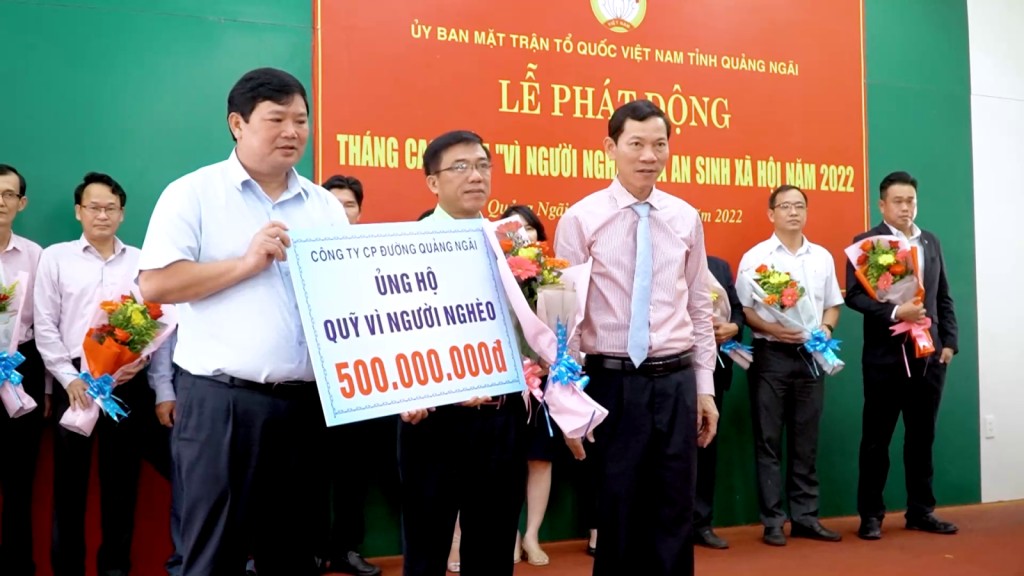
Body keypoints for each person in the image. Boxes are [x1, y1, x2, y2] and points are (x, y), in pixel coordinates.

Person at [137, 67, 349, 576]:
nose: (292, 131)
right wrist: (246, 264)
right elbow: (156, 285)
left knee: (294, 556)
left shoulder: (324, 206)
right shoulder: (193, 193)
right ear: (237, 124)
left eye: (301, 120)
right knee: (213, 555)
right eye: (276, 119)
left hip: (305, 408)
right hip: (222, 404)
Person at [554, 100, 719, 576]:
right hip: (612, 383)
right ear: (611, 148)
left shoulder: (685, 217)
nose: (649, 155)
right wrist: (567, 401)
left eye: (659, 144)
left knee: (675, 513)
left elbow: (699, 307)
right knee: (618, 512)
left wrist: (704, 389)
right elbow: (565, 319)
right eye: (637, 144)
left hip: (677, 380)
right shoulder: (581, 219)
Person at [399, 130, 528, 576]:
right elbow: (392, 332)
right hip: (435, 423)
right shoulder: (405, 244)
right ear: (432, 182)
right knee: (427, 552)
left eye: (482, 165)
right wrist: (410, 392)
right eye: (460, 167)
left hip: (502, 419)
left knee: (493, 552)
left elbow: (528, 327)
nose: (476, 176)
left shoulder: (510, 241)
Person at [35, 172, 171, 576]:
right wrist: (68, 378)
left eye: (111, 208)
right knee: (69, 489)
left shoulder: (141, 261)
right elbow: (45, 324)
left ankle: (115, 570)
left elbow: (158, 321)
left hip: (125, 385)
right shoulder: (55, 258)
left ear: (122, 213)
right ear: (79, 211)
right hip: (75, 385)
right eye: (94, 207)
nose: (102, 215)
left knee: (121, 488)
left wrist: (141, 362)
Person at [846, 171, 959, 540]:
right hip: (884, 358)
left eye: (910, 200)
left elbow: (942, 295)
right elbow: (854, 296)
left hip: (929, 356)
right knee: (876, 440)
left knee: (922, 438)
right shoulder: (867, 244)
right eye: (898, 201)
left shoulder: (930, 241)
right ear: (882, 205)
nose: (905, 207)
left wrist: (949, 342)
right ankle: (871, 515)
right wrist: (896, 312)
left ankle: (921, 511)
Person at [736, 185, 843, 547]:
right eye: (785, 206)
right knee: (768, 440)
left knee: (806, 440)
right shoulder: (756, 258)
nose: (793, 212)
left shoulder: (822, 257)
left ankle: (806, 517)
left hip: (812, 357)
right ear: (771, 214)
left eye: (799, 206)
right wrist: (773, 330)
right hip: (771, 356)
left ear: (806, 212)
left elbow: (833, 304)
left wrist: (826, 328)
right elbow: (745, 310)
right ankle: (772, 521)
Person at [318, 174, 380, 576]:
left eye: (349, 205)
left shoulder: (372, 256)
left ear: (359, 212)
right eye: (333, 204)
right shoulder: (298, 253)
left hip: (359, 382)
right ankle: (308, 549)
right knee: (305, 472)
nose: (341, 212)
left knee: (352, 472)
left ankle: (346, 548)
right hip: (306, 382)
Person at [500, 204, 556, 566]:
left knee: (540, 459)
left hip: (541, 380)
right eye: (514, 229)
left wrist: (552, 358)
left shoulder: (551, 276)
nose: (523, 234)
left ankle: (533, 534)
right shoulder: (493, 272)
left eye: (529, 228)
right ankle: (509, 534)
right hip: (503, 382)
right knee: (503, 462)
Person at [0, 164, 46, 576]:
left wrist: (46, 387)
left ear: (22, 203)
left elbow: (46, 325)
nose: (1, 201)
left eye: (8, 194)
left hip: (22, 368)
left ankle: (18, 566)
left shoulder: (35, 255)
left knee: (19, 479)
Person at [693, 255, 745, 549]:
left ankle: (700, 522)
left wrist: (733, 327)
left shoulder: (718, 266)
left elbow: (737, 309)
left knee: (705, 447)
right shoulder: (662, 262)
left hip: (712, 371)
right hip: (669, 370)